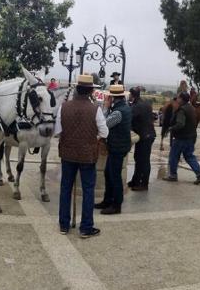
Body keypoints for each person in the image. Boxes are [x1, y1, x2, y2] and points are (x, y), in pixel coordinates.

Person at [54, 73, 108, 238]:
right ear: (91, 91)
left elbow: (57, 132)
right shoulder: (95, 109)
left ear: (77, 89)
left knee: (65, 189)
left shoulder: (64, 107)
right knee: (88, 190)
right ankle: (86, 227)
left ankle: (64, 225)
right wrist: (92, 138)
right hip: (87, 155)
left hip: (68, 153)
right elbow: (104, 132)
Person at [95, 83, 131, 215]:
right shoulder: (124, 108)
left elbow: (104, 125)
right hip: (118, 146)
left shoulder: (118, 112)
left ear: (113, 98)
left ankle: (116, 205)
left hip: (117, 147)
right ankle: (108, 200)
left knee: (114, 176)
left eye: (109, 97)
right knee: (108, 174)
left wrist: (105, 107)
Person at [163, 92, 200, 184]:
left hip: (181, 138)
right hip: (191, 136)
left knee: (173, 156)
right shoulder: (191, 108)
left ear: (182, 99)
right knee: (189, 156)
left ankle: (173, 175)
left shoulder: (181, 110)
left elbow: (180, 124)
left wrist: (171, 128)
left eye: (178, 98)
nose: (177, 99)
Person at [127, 86, 156, 191]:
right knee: (139, 158)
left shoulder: (137, 106)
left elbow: (129, 118)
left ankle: (144, 184)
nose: (129, 96)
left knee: (143, 160)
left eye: (130, 94)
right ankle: (135, 180)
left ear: (133, 95)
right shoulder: (145, 103)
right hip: (147, 135)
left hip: (145, 136)